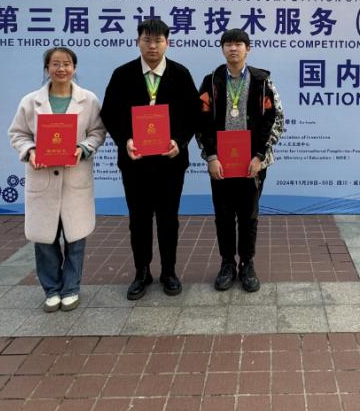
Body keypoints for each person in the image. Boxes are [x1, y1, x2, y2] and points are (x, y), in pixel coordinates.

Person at [100, 19, 200, 300]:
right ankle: (141, 272)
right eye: (147, 40)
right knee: (139, 219)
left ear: (167, 43)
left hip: (170, 162)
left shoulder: (180, 74)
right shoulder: (123, 74)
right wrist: (125, 140)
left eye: (158, 41)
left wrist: (180, 141)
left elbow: (193, 114)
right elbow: (109, 113)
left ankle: (169, 271)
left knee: (168, 219)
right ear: (138, 42)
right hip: (135, 162)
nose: (152, 46)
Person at [8, 47, 106, 312]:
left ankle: (71, 288)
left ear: (74, 68)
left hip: (75, 179)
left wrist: (83, 148)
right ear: (47, 68)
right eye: (55, 64)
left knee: (75, 239)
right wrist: (30, 151)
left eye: (66, 64)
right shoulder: (31, 101)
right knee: (45, 241)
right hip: (43, 179)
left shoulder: (88, 100)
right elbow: (17, 134)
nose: (61, 69)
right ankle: (51, 289)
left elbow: (98, 132)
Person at [197, 28, 284, 292]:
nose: (233, 48)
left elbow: (275, 119)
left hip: (252, 164)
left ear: (248, 48)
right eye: (228, 44)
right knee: (223, 216)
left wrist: (259, 156)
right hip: (221, 164)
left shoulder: (262, 82)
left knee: (248, 216)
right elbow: (201, 121)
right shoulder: (211, 81)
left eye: (238, 44)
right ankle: (227, 264)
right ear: (222, 49)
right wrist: (211, 156)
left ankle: (247, 263)